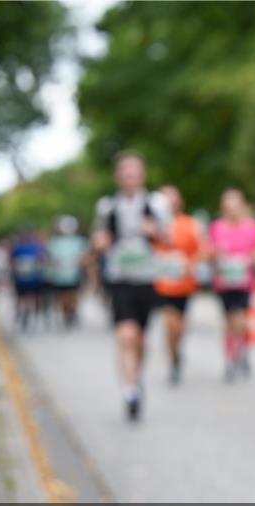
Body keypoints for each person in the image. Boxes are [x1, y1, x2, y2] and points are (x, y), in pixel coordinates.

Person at [92, 151, 172, 420]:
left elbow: (169, 239)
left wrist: (156, 233)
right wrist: (99, 244)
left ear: (142, 176)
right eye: (125, 174)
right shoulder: (107, 207)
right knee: (126, 335)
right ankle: (129, 389)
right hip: (119, 278)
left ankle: (136, 377)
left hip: (147, 279)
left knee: (140, 338)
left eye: (134, 173)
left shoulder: (156, 204)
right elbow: (99, 239)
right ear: (118, 177)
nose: (129, 178)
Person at [208, 189, 255, 381]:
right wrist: (216, 253)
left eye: (235, 205)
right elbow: (209, 252)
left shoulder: (252, 228)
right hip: (224, 282)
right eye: (228, 205)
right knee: (229, 323)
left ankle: (242, 351)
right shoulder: (217, 227)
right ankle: (230, 359)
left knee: (240, 320)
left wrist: (253, 259)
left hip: (244, 281)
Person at [153, 185, 204, 384]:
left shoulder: (190, 224)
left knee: (180, 327)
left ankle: (176, 353)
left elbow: (201, 250)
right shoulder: (153, 224)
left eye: (171, 197)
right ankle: (173, 359)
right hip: (162, 283)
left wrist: (191, 263)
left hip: (184, 283)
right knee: (170, 323)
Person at [44, 214, 88, 328]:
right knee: (62, 297)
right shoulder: (54, 242)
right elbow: (49, 258)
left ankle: (71, 311)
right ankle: (66, 314)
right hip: (59, 276)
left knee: (73, 295)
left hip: (74, 274)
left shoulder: (79, 241)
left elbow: (84, 257)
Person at [10, 229, 45, 331]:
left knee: (24, 297)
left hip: (28, 277)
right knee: (28, 296)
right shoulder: (35, 248)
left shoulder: (18, 248)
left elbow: (12, 262)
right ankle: (26, 312)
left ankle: (25, 312)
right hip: (28, 277)